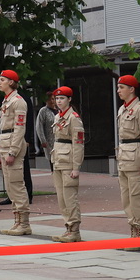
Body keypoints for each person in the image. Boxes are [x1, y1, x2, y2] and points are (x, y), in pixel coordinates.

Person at [116, 74, 140, 247]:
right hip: (124, 156)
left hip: (136, 157)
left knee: (137, 197)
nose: (118, 91)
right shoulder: (122, 109)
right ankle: (133, 231)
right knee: (126, 198)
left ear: (131, 89)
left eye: (121, 87)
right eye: (118, 87)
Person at [0, 70, 32, 236]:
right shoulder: (6, 101)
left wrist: (13, 151)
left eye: (2, 79)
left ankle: (24, 222)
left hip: (13, 145)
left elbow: (19, 128)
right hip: (5, 143)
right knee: (10, 185)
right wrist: (0, 155)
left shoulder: (18, 102)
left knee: (17, 184)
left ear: (11, 82)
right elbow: (3, 128)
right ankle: (17, 220)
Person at [48, 86, 85, 242]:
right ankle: (67, 227)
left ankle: (74, 229)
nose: (59, 101)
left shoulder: (73, 118)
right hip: (58, 159)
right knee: (61, 197)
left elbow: (78, 144)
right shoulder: (58, 117)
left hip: (68, 161)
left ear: (69, 100)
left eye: (62, 98)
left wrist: (76, 167)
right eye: (57, 99)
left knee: (70, 197)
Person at [36, 91, 57, 169]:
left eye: (53, 99)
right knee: (53, 162)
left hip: (60, 141)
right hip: (50, 141)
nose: (51, 101)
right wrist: (43, 140)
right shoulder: (43, 111)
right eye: (49, 99)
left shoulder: (59, 110)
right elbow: (39, 126)